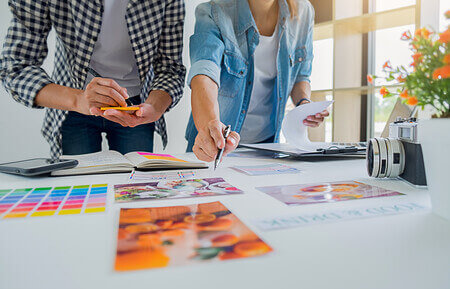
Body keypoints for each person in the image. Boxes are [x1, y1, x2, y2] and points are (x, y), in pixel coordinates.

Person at [0, 0, 186, 158]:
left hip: (137, 107)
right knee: (80, 193)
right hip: (73, 105)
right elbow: (14, 66)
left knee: (134, 187)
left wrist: (155, 106)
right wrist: (78, 99)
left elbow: (170, 68)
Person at [185, 0, 329, 162]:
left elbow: (301, 75)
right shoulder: (213, 12)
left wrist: (304, 103)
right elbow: (204, 73)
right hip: (215, 144)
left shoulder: (303, 11)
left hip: (267, 147)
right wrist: (210, 124)